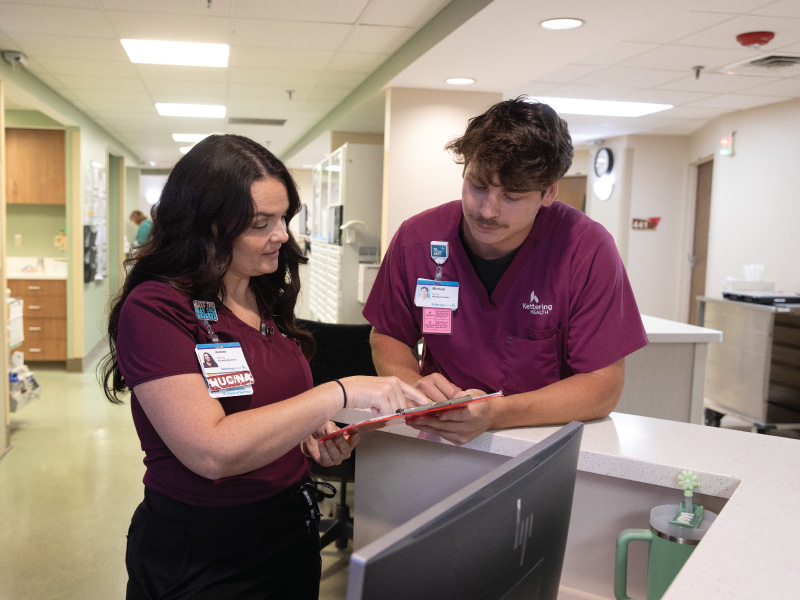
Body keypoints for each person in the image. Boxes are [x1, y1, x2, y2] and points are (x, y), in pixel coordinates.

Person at [100, 134, 427, 599]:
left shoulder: (261, 293)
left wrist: (311, 431)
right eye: (261, 223)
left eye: (284, 218)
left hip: (287, 532)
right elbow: (212, 451)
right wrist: (336, 394)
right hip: (204, 551)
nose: (282, 235)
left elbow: (267, 405)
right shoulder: (156, 309)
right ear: (206, 225)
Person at [364, 96, 648, 446]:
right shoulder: (418, 240)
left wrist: (495, 413)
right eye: (478, 185)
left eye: (512, 196)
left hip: (540, 441)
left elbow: (603, 386)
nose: (487, 210)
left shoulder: (586, 251)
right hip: (439, 436)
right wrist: (413, 386)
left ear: (549, 193)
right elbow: (388, 334)